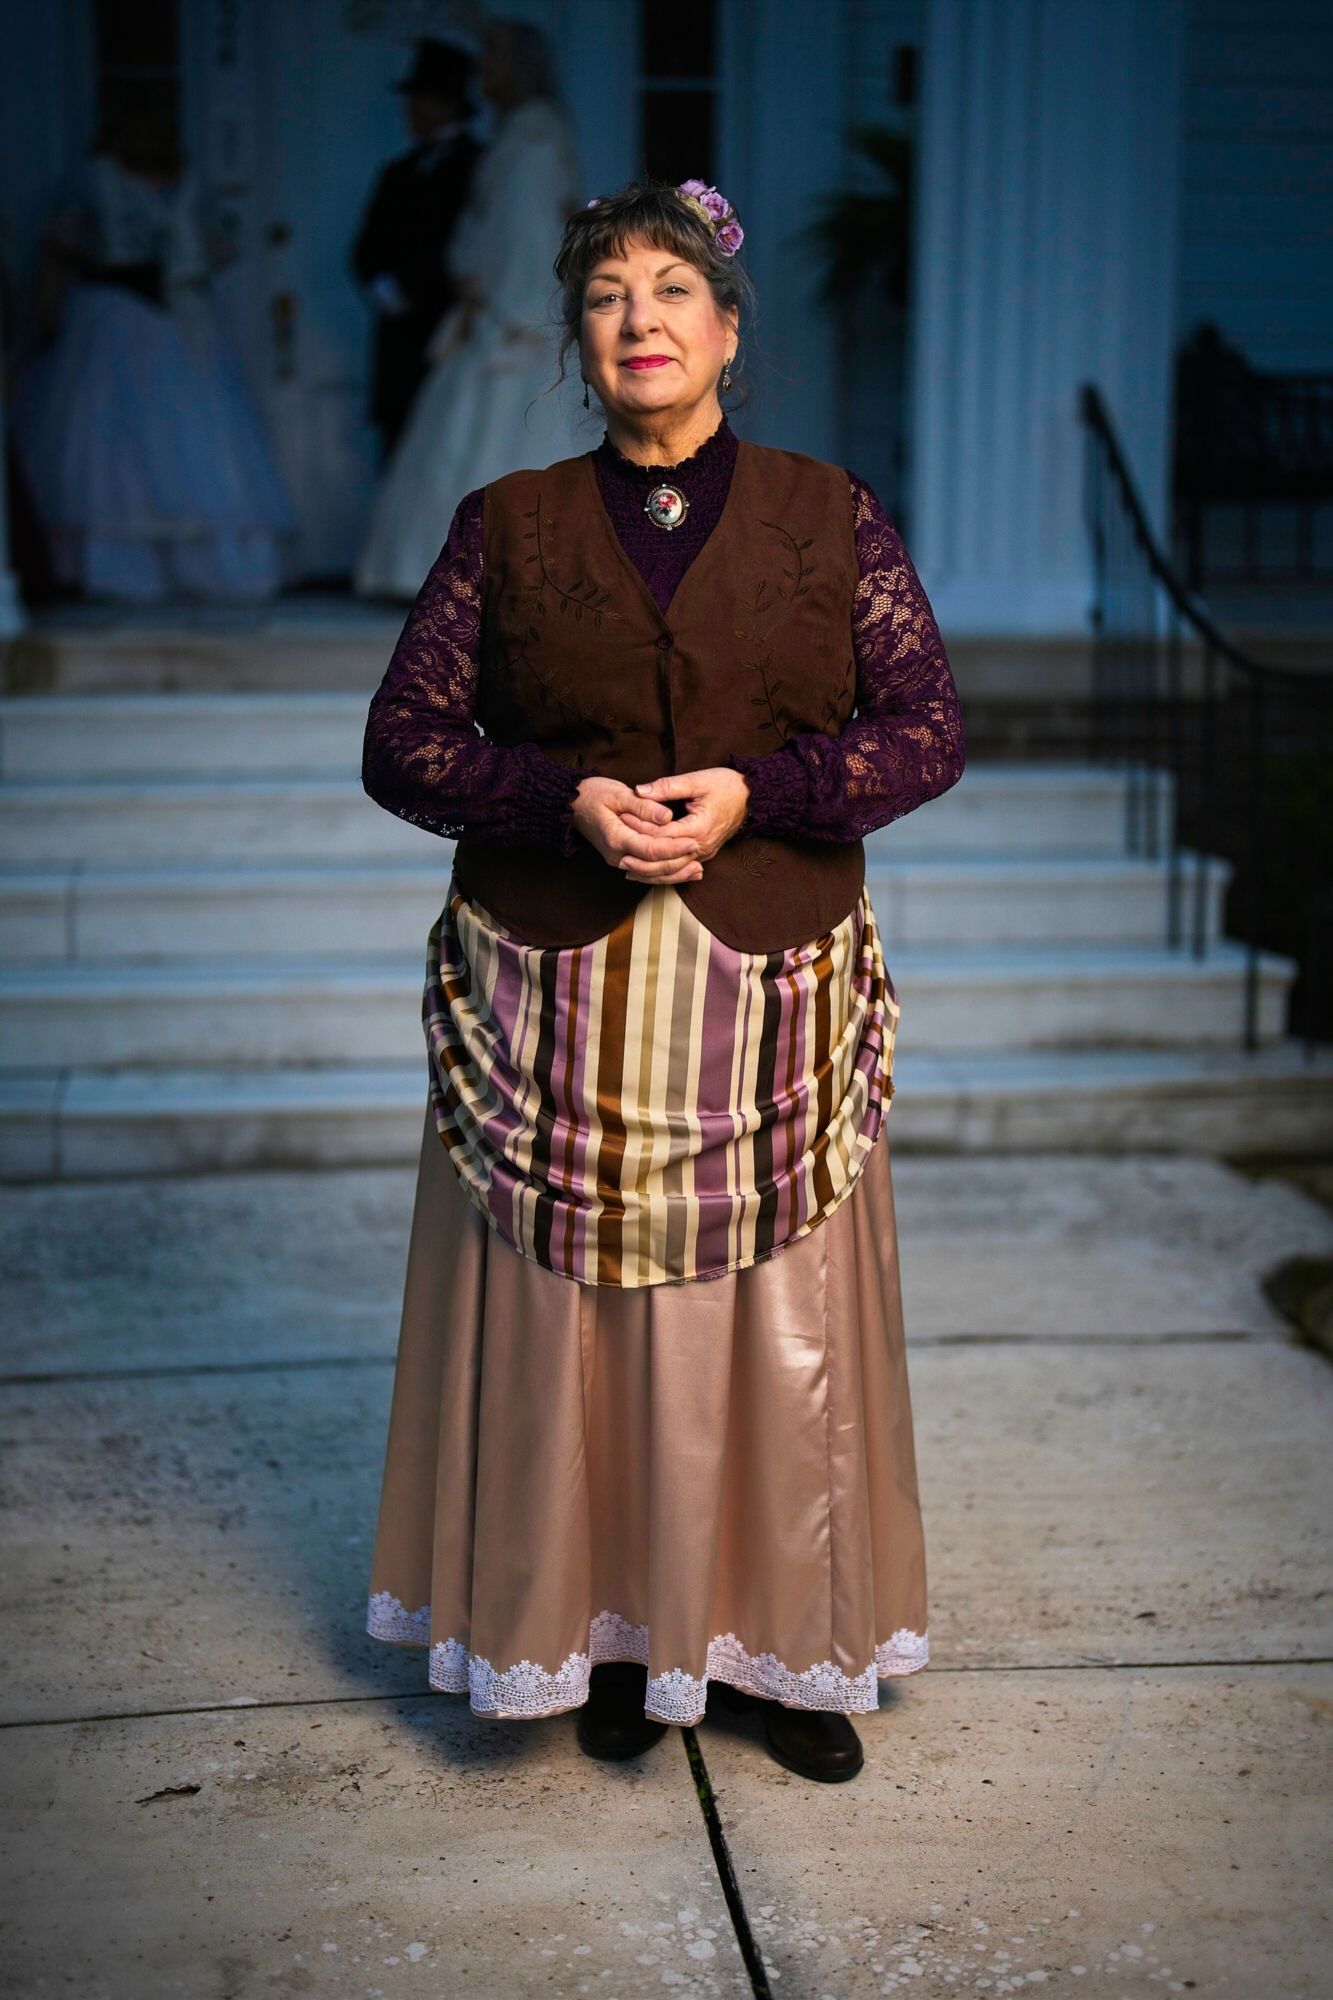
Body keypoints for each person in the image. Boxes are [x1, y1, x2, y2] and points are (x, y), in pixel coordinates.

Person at [360, 176, 966, 1783]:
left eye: (672, 289)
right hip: (555, 990)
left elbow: (927, 730)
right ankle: (617, 1636)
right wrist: (556, 795)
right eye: (608, 294)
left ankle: (786, 1651)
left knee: (771, 1341)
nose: (640, 319)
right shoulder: (504, 523)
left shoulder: (830, 513)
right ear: (578, 340)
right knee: (587, 1338)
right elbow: (402, 743)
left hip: (767, 982)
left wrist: (760, 790)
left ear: (730, 330)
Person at [9, 106, 294, 605]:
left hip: (177, 321)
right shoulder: (95, 181)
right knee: (109, 437)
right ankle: (114, 567)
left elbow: (217, 244)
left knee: (192, 435)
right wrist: (48, 315)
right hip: (113, 316)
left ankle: (203, 565)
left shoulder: (189, 181)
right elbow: (57, 249)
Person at [353, 17, 587, 600]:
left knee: (505, 436)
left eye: (493, 57)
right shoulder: (516, 135)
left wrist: (512, 314)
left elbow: (529, 237)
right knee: (455, 442)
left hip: (513, 318)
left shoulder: (533, 138)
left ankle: (516, 579)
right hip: (489, 306)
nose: (482, 70)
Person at [350, 38, 483, 462]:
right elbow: (367, 245)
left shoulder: (482, 165)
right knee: (398, 451)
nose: (410, 110)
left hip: (451, 333)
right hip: (399, 345)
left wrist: (425, 292)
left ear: (447, 103)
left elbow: (473, 245)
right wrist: (385, 289)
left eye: (420, 99)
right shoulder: (397, 171)